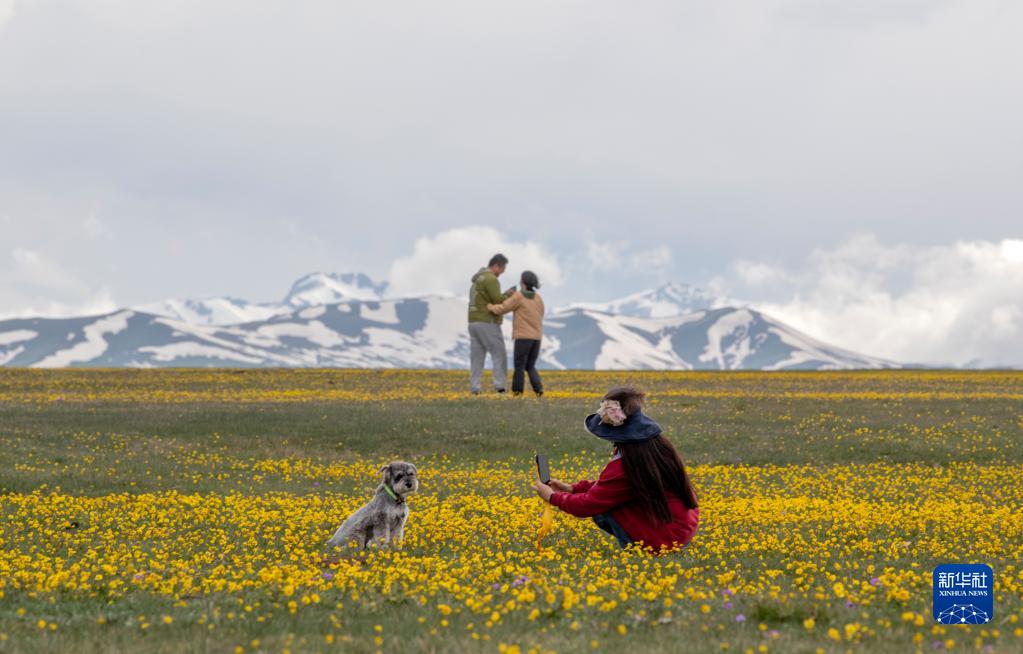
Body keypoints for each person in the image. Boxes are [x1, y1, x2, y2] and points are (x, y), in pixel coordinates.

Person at [531, 386, 699, 553]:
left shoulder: (625, 465)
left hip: (666, 538)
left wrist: (552, 497)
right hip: (682, 527)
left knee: (602, 510)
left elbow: (588, 505)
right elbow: (614, 488)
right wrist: (572, 489)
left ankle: (641, 549)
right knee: (606, 502)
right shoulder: (655, 447)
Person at [487, 270, 545, 397]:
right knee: (530, 366)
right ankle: (539, 390)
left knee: (519, 366)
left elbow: (503, 308)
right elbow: (541, 314)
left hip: (523, 337)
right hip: (537, 337)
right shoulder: (538, 298)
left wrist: (490, 307)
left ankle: (517, 392)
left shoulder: (519, 296)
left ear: (522, 281)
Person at [467, 253, 516, 395]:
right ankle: (500, 387)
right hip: (487, 321)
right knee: (498, 353)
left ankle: (475, 388)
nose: (502, 273)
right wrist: (509, 294)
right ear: (496, 266)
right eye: (502, 269)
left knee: (477, 356)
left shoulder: (477, 280)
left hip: (473, 321)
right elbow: (497, 299)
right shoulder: (490, 279)